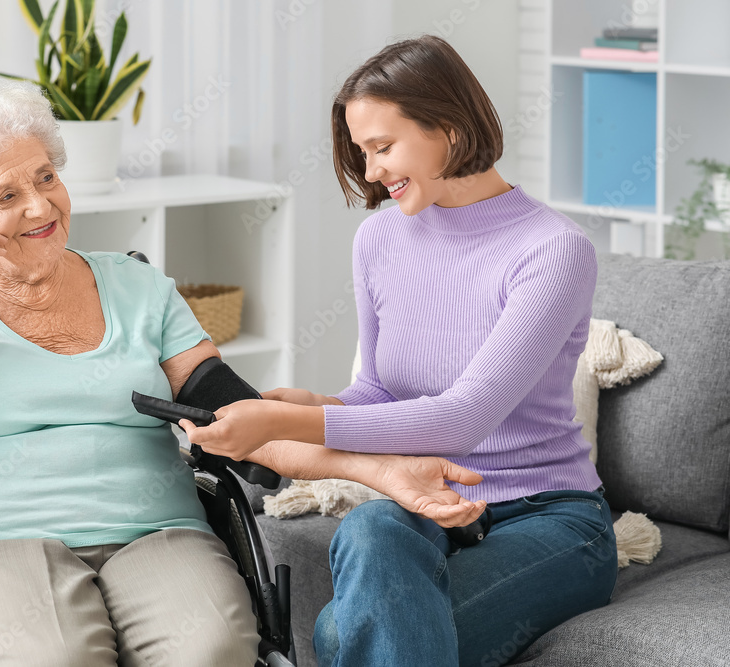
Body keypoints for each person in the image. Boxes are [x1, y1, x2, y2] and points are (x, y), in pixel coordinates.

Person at [0, 77, 488, 667]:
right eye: (8, 195)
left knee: (211, 650)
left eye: (45, 178)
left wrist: (377, 469)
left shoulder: (140, 290)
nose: (41, 208)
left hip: (153, 530)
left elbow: (241, 415)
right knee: (54, 655)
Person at [181, 35, 619, 666]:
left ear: (448, 126)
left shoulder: (552, 250)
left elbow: (459, 420)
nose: (370, 172)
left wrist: (285, 422)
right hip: (424, 501)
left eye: (383, 147)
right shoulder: (380, 239)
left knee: (341, 635)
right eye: (362, 153)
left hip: (547, 517)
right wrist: (321, 402)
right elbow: (384, 394)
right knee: (367, 526)